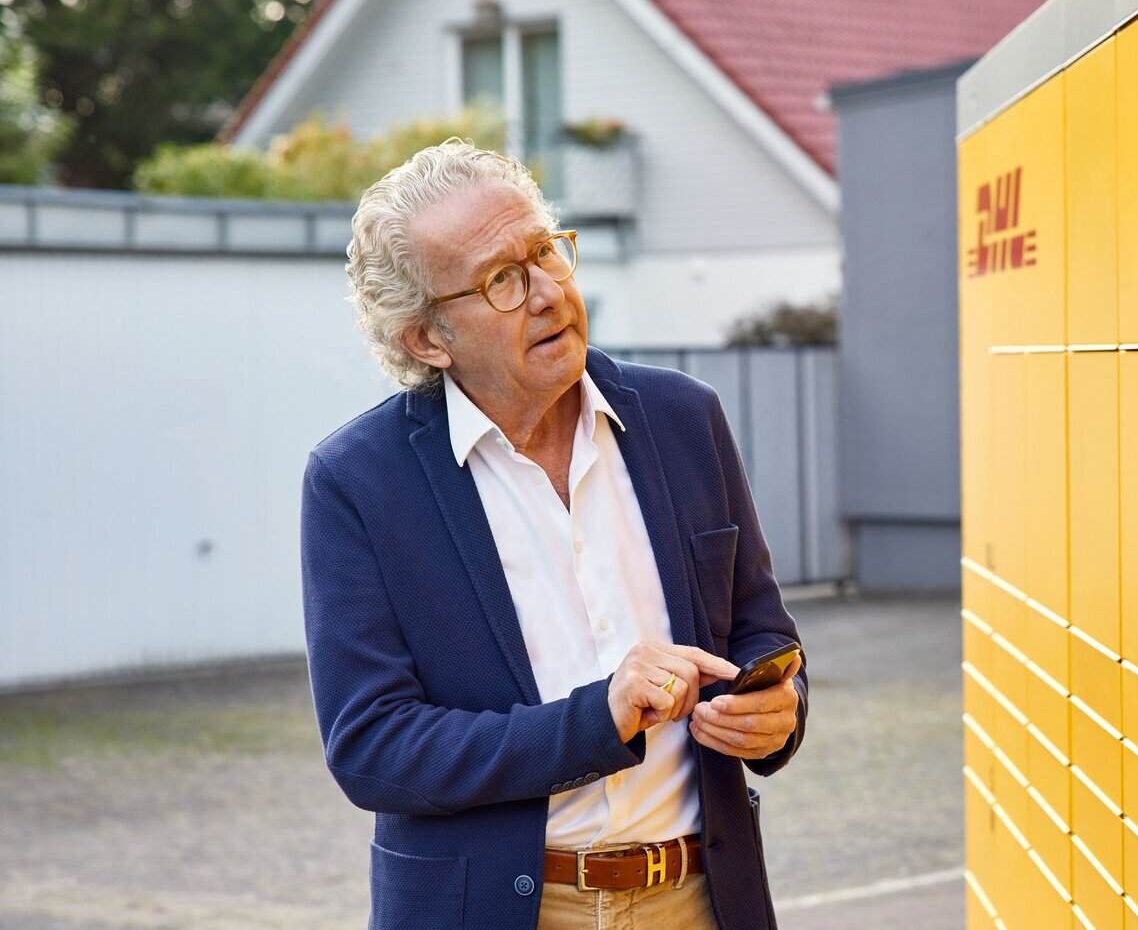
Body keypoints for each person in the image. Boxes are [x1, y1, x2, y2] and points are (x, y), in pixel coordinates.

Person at [299, 140, 806, 930]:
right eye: (502, 278)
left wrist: (779, 710)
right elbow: (373, 745)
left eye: (545, 252)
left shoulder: (683, 417)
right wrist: (597, 718)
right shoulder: (357, 481)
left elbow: (760, 627)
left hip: (701, 899)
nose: (545, 292)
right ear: (427, 338)